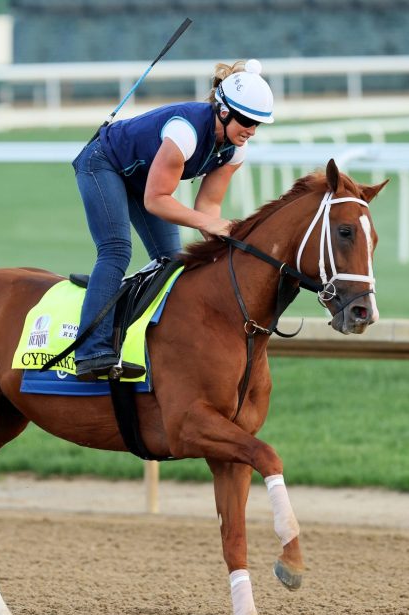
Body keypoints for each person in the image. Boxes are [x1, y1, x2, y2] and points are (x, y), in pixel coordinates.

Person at [71, 58, 275, 381]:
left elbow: (208, 205)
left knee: (171, 261)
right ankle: (90, 351)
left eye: (257, 124)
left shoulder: (235, 150)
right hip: (103, 163)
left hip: (142, 180)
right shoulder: (186, 132)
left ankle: (135, 339)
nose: (250, 131)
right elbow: (156, 200)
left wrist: (222, 244)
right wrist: (209, 225)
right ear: (223, 111)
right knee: (116, 250)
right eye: (246, 121)